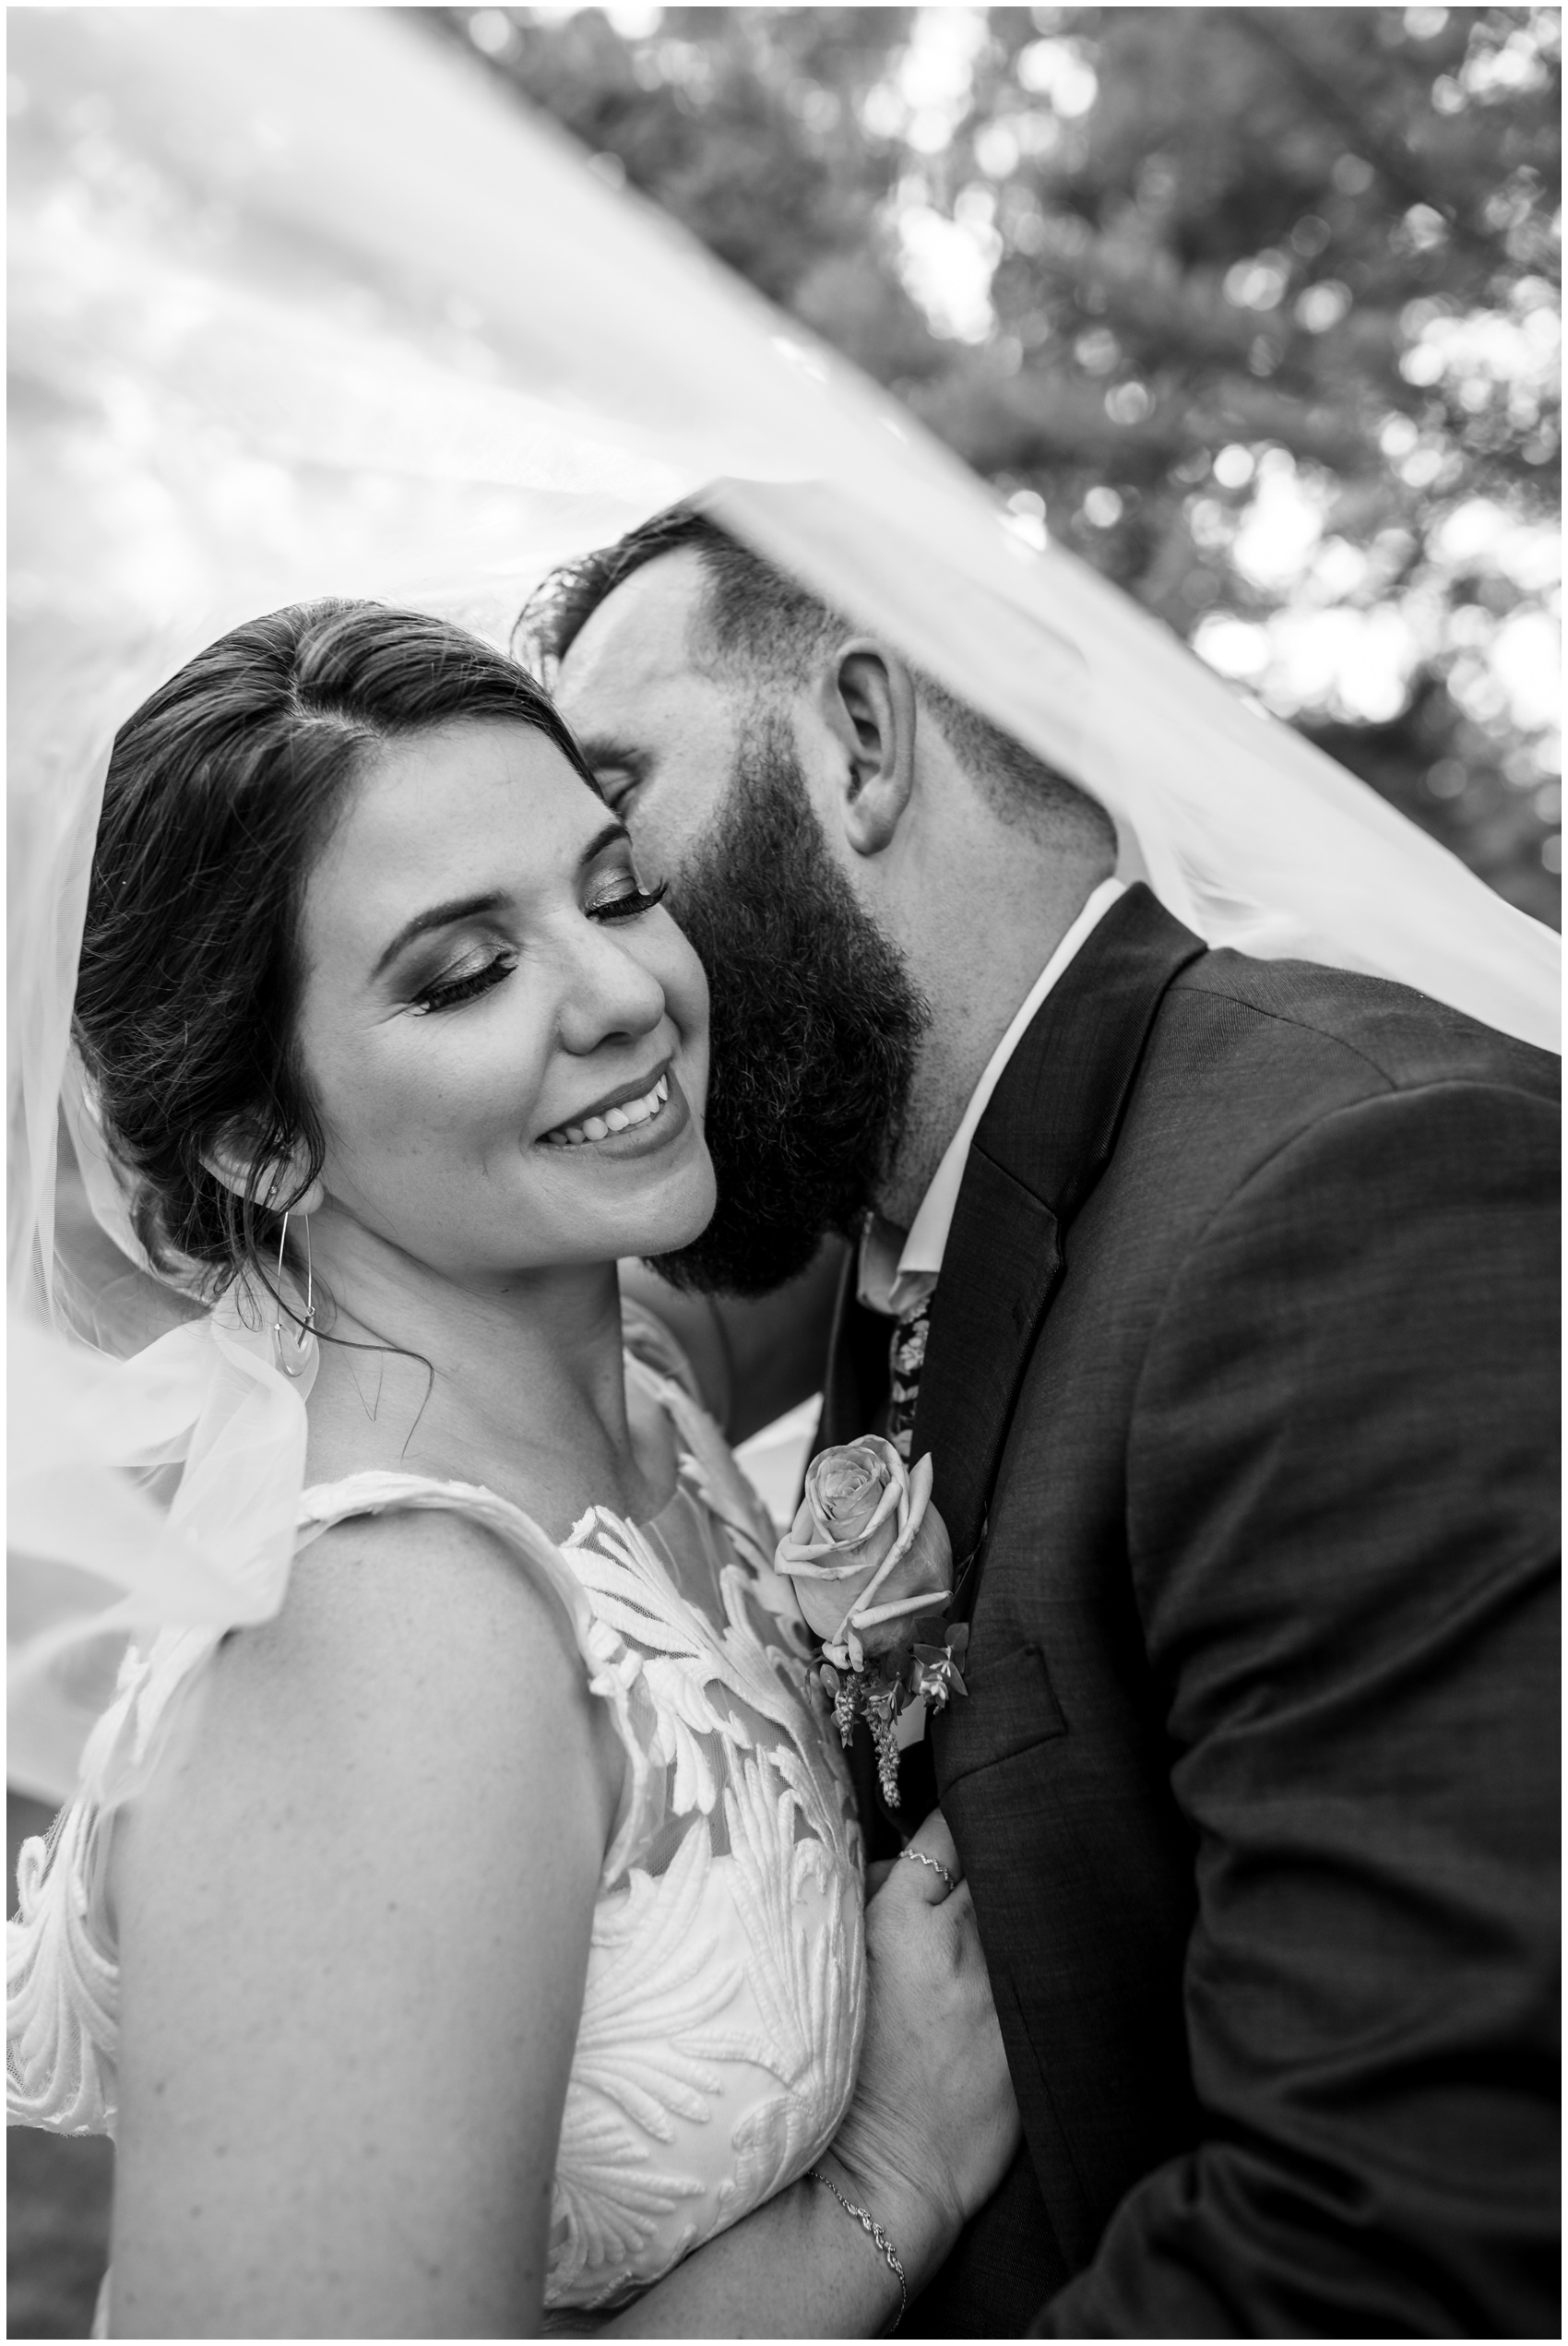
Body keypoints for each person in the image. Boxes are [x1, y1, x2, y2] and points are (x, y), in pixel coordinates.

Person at [533, 505, 1562, 2337]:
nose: (599, 968)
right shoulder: (917, 1230)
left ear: (857, 737)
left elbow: (1401, 2243)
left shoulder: (1345, 1202)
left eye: (617, 842)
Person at [6, 599, 1020, 2338]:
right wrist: (886, 2182)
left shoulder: (645, 1397)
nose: (626, 996)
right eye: (467, 973)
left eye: (617, 888)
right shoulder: (384, 1643)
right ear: (260, 1136)